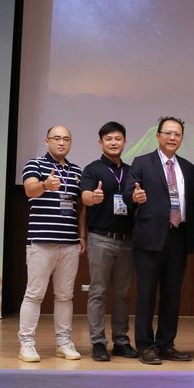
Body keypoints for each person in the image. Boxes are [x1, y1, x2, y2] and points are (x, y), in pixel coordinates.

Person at [128, 116, 194, 365]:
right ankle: (146, 346)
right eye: (168, 133)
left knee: (172, 295)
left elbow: (191, 204)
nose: (172, 138)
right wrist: (134, 197)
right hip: (150, 238)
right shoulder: (142, 162)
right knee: (146, 294)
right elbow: (128, 192)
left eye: (177, 134)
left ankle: (166, 344)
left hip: (178, 236)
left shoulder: (188, 167)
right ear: (157, 136)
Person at [18, 126, 85, 363]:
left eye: (66, 139)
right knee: (34, 295)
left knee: (65, 296)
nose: (61, 142)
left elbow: (81, 207)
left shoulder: (77, 171)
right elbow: (29, 189)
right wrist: (45, 185)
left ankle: (63, 342)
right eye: (56, 138)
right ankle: (26, 344)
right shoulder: (34, 164)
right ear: (47, 141)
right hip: (41, 241)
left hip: (69, 243)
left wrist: (82, 236)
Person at [79, 121, 138, 362]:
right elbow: (84, 196)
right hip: (101, 238)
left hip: (128, 240)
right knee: (98, 292)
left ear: (125, 142)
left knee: (123, 294)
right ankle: (98, 342)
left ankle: (121, 341)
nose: (114, 143)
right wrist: (92, 198)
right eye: (109, 139)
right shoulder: (93, 170)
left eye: (118, 139)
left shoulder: (132, 170)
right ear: (101, 142)